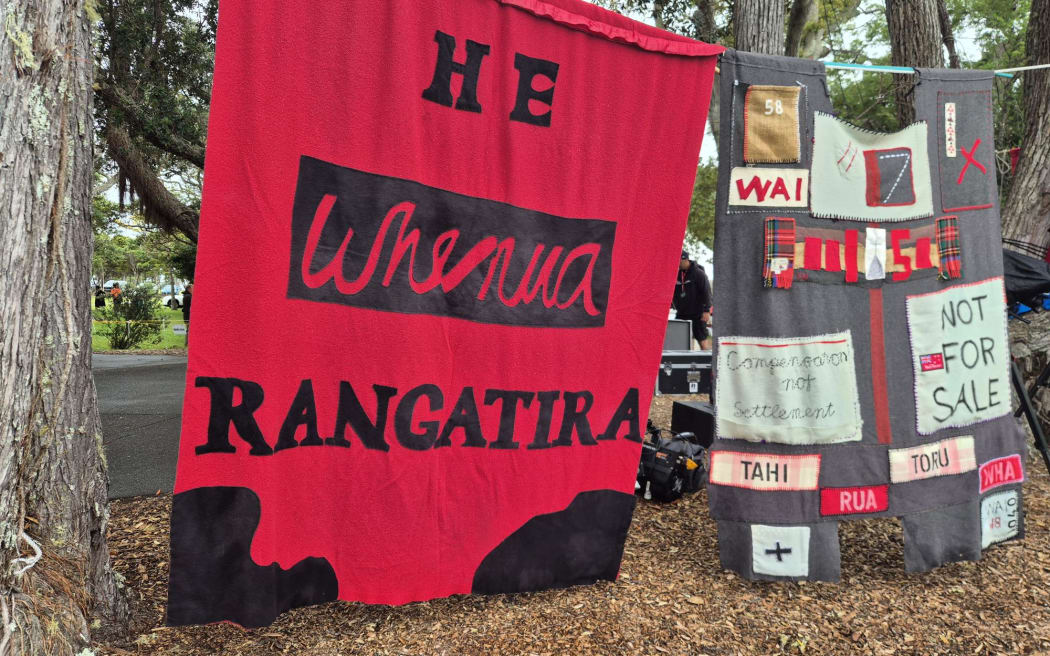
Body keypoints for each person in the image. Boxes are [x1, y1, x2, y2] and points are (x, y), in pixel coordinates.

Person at [671, 250, 712, 350]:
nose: (677, 264)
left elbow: (706, 292)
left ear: (685, 259)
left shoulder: (699, 273)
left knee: (702, 340)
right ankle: (686, 362)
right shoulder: (676, 274)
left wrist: (706, 310)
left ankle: (708, 363)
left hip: (698, 314)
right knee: (680, 339)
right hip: (682, 313)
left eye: (678, 261)